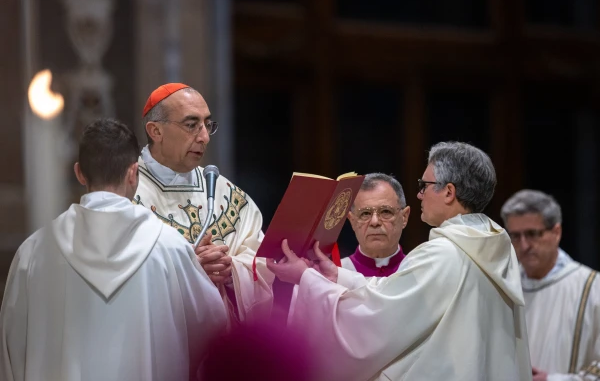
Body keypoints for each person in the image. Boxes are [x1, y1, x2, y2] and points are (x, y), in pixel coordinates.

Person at [267, 141, 531, 381]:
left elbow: (376, 319)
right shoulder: (493, 246)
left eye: (424, 186)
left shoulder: (444, 253)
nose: (419, 195)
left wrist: (305, 277)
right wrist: (338, 276)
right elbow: (388, 294)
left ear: (449, 192)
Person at [0, 119, 227, 381]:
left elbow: (10, 348)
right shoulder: (169, 249)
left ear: (79, 173)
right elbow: (211, 330)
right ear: (134, 172)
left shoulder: (34, 253)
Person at [135, 83, 273, 322]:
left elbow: (263, 261)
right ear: (155, 131)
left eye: (207, 125)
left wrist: (232, 271)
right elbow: (117, 275)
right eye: (191, 125)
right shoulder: (128, 191)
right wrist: (189, 270)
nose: (204, 137)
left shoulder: (228, 194)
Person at [501, 189, 600, 381]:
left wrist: (553, 379)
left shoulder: (592, 288)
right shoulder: (504, 287)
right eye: (515, 236)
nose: (524, 245)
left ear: (556, 232)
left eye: (532, 234)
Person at [341, 173, 409, 276]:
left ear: (404, 217)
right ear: (352, 221)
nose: (375, 222)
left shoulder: (420, 271)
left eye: (385, 211)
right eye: (365, 213)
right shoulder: (336, 274)